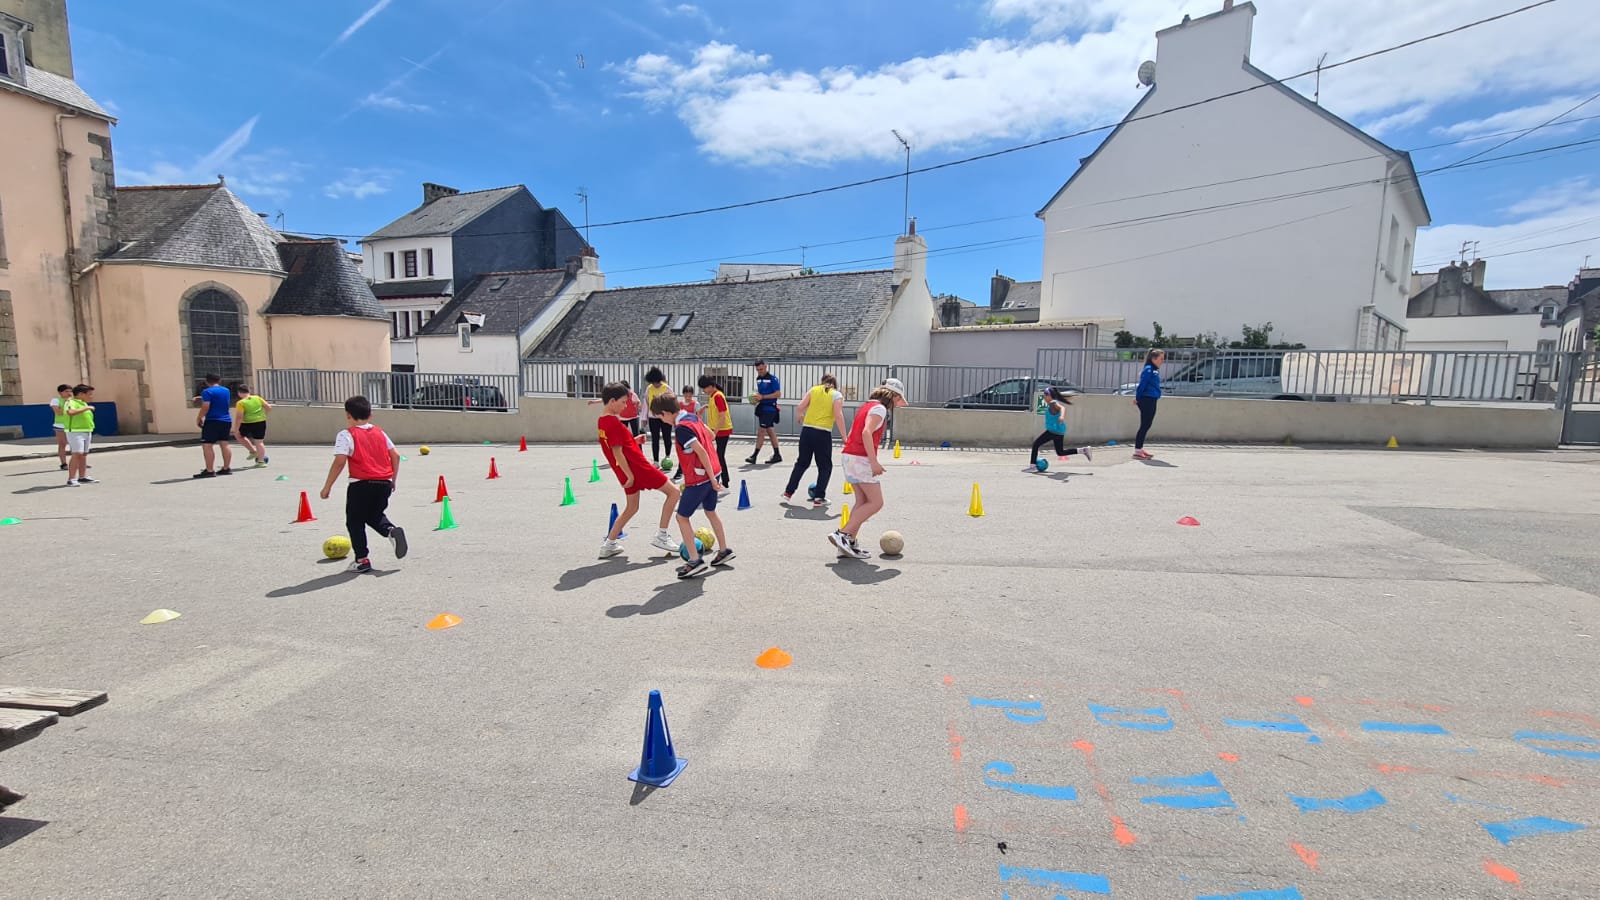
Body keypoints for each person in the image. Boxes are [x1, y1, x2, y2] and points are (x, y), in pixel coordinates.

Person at [319, 395, 407, 574]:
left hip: (361, 484)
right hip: (384, 482)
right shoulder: (380, 432)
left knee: (355, 521)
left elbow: (340, 461)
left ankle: (361, 560)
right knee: (374, 515)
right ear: (370, 415)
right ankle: (391, 531)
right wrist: (393, 480)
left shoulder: (346, 434)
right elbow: (395, 455)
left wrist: (327, 486)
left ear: (348, 415)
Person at [597, 381, 683, 559]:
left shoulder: (603, 421)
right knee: (674, 493)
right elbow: (617, 451)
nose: (625, 405)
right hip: (637, 468)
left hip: (628, 469)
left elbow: (618, 445)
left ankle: (609, 544)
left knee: (632, 507)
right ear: (612, 401)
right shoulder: (613, 422)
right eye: (622, 402)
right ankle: (662, 535)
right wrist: (630, 474)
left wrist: (634, 441)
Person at [654, 393, 734, 578]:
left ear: (666, 413)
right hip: (714, 471)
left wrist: (712, 481)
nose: (662, 421)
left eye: (660, 417)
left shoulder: (682, 428)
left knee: (682, 518)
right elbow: (711, 435)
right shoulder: (692, 417)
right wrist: (714, 477)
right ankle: (723, 550)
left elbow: (702, 452)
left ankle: (694, 560)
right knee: (711, 511)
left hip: (700, 478)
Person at [829, 378, 908, 559]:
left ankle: (848, 544)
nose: (897, 405)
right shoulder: (879, 409)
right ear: (892, 396)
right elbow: (866, 432)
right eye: (897, 400)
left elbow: (853, 432)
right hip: (860, 458)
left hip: (850, 456)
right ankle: (842, 534)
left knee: (862, 501)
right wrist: (873, 462)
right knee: (876, 502)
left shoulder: (866, 406)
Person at [783, 373, 845, 505]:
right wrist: (845, 437)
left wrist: (800, 415)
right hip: (823, 433)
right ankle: (819, 497)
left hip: (807, 431)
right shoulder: (836, 395)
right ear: (835, 384)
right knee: (825, 466)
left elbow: (800, 406)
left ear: (822, 382)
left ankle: (788, 492)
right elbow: (838, 415)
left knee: (802, 463)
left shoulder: (813, 390)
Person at [1029, 386, 1093, 469]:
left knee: (1036, 444)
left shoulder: (1053, 403)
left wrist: (1062, 416)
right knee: (1060, 452)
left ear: (1049, 396)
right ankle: (1083, 450)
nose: (1044, 397)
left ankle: (1032, 466)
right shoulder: (1051, 404)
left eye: (1045, 395)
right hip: (1059, 431)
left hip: (1053, 431)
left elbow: (1062, 408)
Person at [194, 374, 235, 478]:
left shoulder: (207, 392)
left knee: (207, 445)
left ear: (207, 382)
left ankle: (210, 470)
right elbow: (218, 398)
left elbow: (206, 406)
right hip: (226, 420)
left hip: (213, 420)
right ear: (219, 380)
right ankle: (226, 468)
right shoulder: (226, 390)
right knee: (224, 443)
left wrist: (199, 417)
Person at [697, 375, 734, 488]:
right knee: (716, 455)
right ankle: (719, 479)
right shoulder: (713, 396)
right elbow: (716, 409)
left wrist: (714, 433)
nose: (703, 391)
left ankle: (725, 482)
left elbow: (722, 416)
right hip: (717, 430)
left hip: (722, 430)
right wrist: (705, 407)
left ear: (710, 386)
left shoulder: (718, 396)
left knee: (719, 456)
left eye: (704, 388)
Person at [746, 359, 783, 465]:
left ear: (766, 367)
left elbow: (778, 394)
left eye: (761, 369)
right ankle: (777, 454)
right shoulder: (758, 379)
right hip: (763, 408)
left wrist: (763, 397)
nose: (760, 371)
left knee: (761, 431)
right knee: (770, 431)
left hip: (770, 409)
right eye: (757, 370)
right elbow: (761, 392)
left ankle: (754, 456)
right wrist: (755, 397)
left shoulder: (772, 379)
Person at [62, 384, 98, 486]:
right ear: (81, 394)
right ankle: (71, 479)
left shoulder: (83, 403)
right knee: (77, 453)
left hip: (87, 431)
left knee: (83, 454)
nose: (91, 396)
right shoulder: (71, 402)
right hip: (75, 431)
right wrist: (86, 408)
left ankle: (83, 477)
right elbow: (70, 412)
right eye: (89, 394)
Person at [1134, 349, 1164, 460]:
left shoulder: (1154, 370)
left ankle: (1140, 448)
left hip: (1152, 398)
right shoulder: (1148, 369)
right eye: (1161, 358)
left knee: (1147, 424)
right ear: (1153, 359)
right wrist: (1137, 398)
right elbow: (1142, 384)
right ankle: (1137, 450)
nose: (1162, 361)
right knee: (1145, 424)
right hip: (1147, 399)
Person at [232, 385, 273, 467]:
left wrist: (236, 428)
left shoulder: (241, 402)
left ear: (239, 393)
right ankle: (261, 462)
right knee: (259, 441)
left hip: (247, 422)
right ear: (248, 391)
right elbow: (268, 407)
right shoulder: (257, 398)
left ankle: (253, 451)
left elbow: (239, 417)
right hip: (260, 421)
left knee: (239, 435)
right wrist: (264, 415)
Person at [643, 367, 675, 466]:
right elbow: (646, 403)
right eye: (652, 382)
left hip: (665, 417)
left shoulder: (667, 388)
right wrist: (644, 418)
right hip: (653, 417)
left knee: (667, 437)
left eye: (656, 382)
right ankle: (656, 461)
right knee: (655, 439)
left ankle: (667, 456)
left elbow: (672, 402)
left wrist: (672, 417)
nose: (654, 384)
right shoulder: (649, 389)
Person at [50, 383, 72, 471]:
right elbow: (58, 412)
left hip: (72, 424)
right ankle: (63, 463)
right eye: (66, 391)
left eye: (70, 391)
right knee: (62, 444)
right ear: (60, 392)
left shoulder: (73, 401)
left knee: (75, 444)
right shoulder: (56, 400)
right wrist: (67, 403)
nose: (69, 393)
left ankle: (78, 462)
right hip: (60, 425)